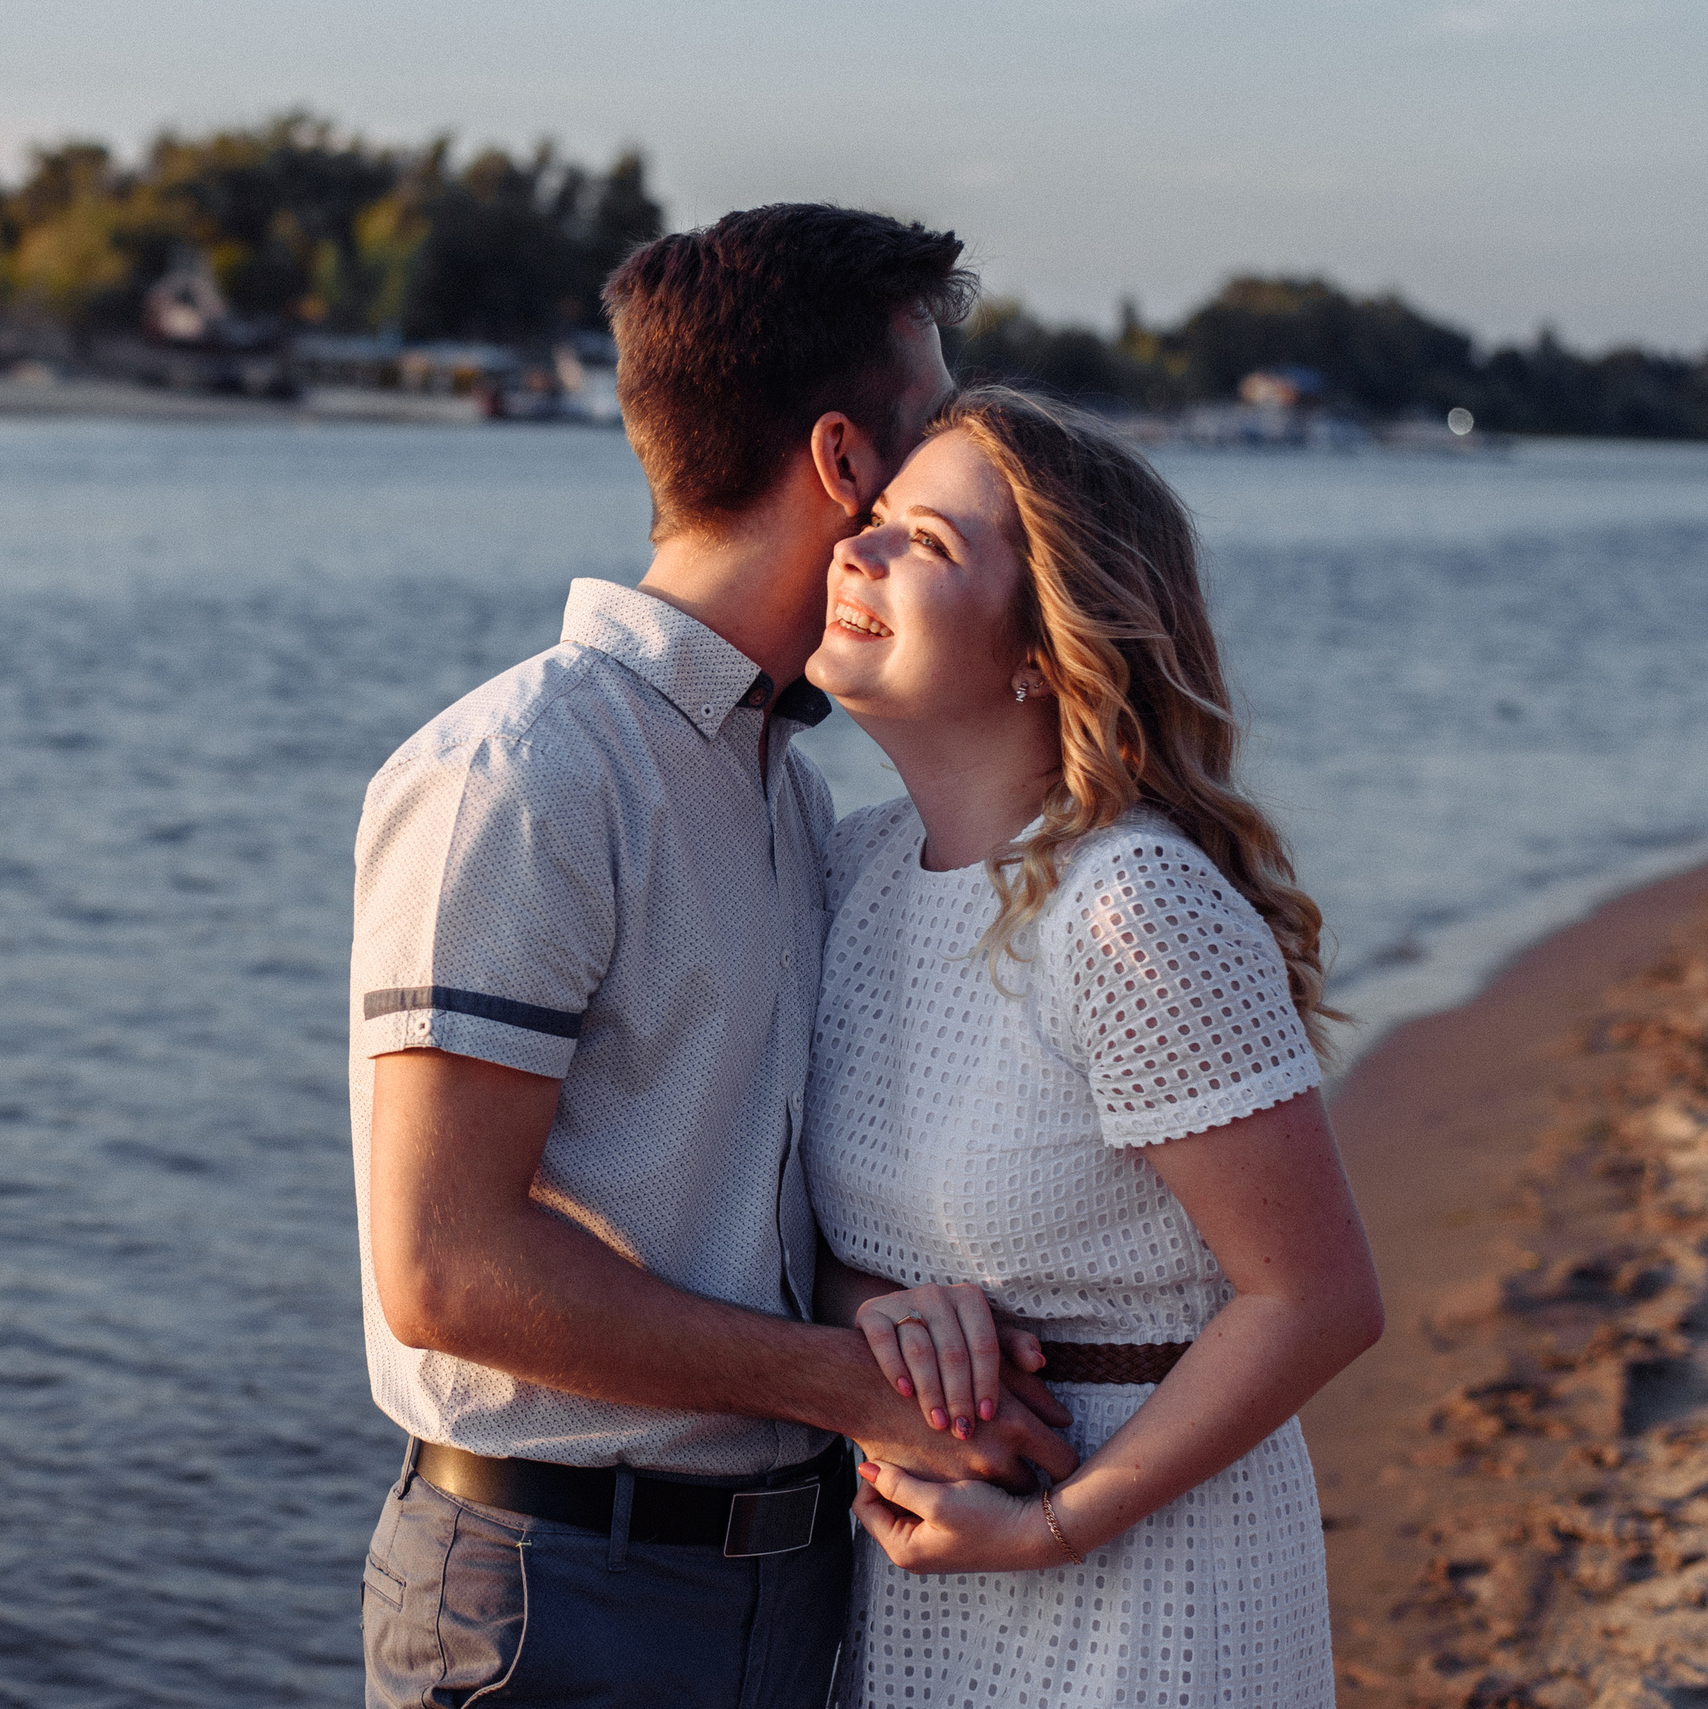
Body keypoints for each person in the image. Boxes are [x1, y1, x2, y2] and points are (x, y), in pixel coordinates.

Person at [348, 208, 1083, 1708]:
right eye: (933, 426)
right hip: (552, 1589)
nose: (955, 459)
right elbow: (444, 1269)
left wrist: (905, 1324)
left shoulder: (789, 789)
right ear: (842, 465)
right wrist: (843, 1379)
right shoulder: (527, 771)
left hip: (797, 1574)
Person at [797, 386, 1386, 1707]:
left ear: (1045, 649)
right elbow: (830, 1229)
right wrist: (866, 1309)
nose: (858, 551)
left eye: (928, 545)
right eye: (874, 521)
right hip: (922, 1560)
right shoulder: (855, 871)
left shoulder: (1129, 905)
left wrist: (1060, 1525)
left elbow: (1317, 1296)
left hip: (1146, 1562)